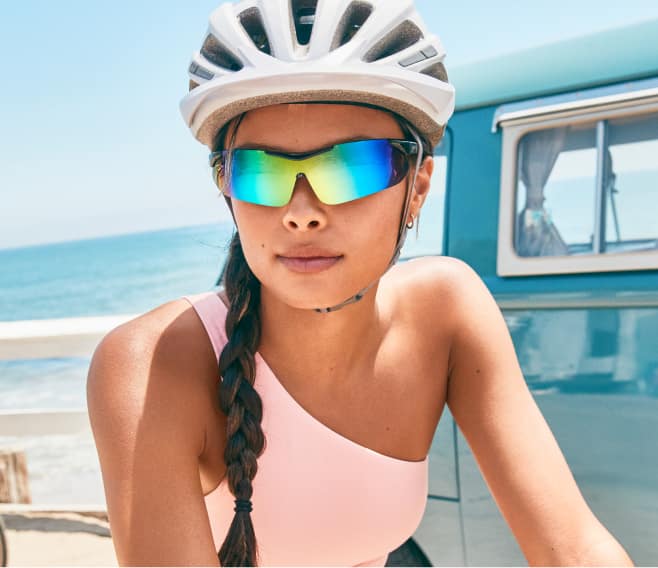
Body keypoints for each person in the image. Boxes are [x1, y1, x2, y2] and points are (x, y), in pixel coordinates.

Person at [86, 0, 634, 566]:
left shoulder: (446, 311)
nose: (302, 212)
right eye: (261, 170)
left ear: (418, 186)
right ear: (228, 187)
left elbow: (574, 547)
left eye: (352, 166)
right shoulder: (148, 366)